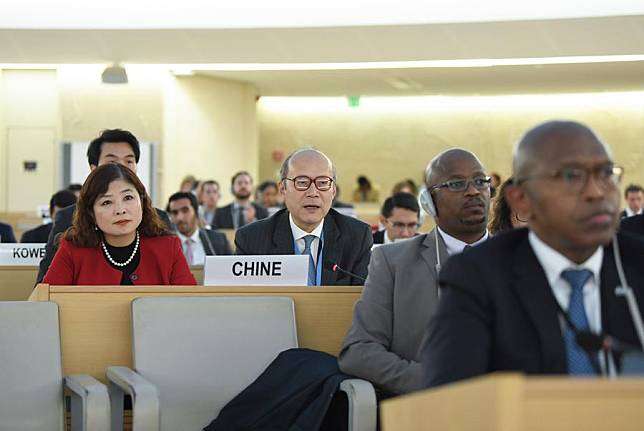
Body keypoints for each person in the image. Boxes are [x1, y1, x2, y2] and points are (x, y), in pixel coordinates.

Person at [422, 120, 644, 388]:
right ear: (520, 199)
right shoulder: (477, 277)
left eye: (606, 173)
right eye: (571, 176)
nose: (597, 192)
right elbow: (449, 399)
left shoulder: (635, 263)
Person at [339, 149, 491, 395]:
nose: (473, 191)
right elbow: (358, 350)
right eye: (456, 183)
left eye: (480, 181)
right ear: (429, 202)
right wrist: (432, 381)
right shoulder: (392, 261)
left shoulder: (523, 262)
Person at [37, 129, 173, 283]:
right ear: (93, 169)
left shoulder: (160, 219)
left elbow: (185, 293)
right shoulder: (68, 218)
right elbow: (45, 290)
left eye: (129, 161)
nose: (121, 169)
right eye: (112, 163)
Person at [235, 148, 372, 286]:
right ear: (283, 188)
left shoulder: (358, 236)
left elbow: (362, 300)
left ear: (333, 190)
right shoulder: (251, 239)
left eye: (323, 183)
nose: (313, 193)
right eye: (302, 182)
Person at [43, 164, 196, 285]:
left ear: (142, 202)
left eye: (128, 197)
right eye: (107, 202)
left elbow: (190, 306)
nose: (120, 210)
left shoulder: (168, 247)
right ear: (91, 213)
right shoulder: (72, 250)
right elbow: (45, 306)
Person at [167, 192, 232, 264]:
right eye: (175, 212)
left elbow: (230, 270)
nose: (180, 217)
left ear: (196, 212)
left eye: (185, 210)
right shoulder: (165, 244)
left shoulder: (218, 240)